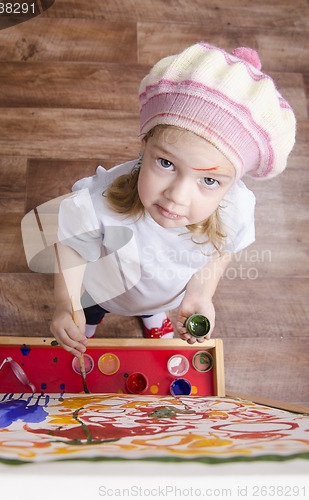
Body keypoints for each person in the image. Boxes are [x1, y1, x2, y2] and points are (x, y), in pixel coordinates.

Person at [50, 42, 296, 358]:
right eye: (166, 163)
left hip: (165, 293)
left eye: (209, 180)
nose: (177, 196)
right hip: (101, 290)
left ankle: (151, 314)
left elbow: (222, 250)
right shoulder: (100, 200)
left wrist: (200, 293)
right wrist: (65, 304)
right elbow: (69, 245)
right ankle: (89, 321)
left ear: (232, 183)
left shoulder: (236, 210)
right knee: (91, 310)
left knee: (152, 303)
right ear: (145, 143)